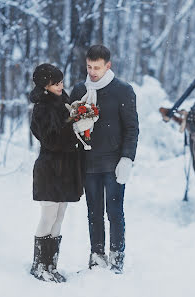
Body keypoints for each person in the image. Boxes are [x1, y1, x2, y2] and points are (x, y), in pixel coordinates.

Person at [70, 45, 139, 274]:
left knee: (114, 212)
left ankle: (117, 258)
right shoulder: (80, 89)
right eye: (89, 66)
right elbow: (69, 127)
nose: (92, 72)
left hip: (114, 163)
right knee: (93, 213)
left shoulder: (123, 90)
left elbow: (131, 128)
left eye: (97, 67)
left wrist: (127, 159)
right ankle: (97, 256)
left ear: (108, 65)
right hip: (88, 163)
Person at [29, 63, 87, 282]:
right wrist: (73, 125)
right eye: (56, 83)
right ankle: (39, 266)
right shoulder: (42, 108)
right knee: (49, 215)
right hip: (50, 169)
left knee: (60, 215)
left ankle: (51, 265)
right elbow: (51, 140)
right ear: (45, 86)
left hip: (65, 169)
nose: (61, 86)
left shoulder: (64, 101)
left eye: (61, 81)